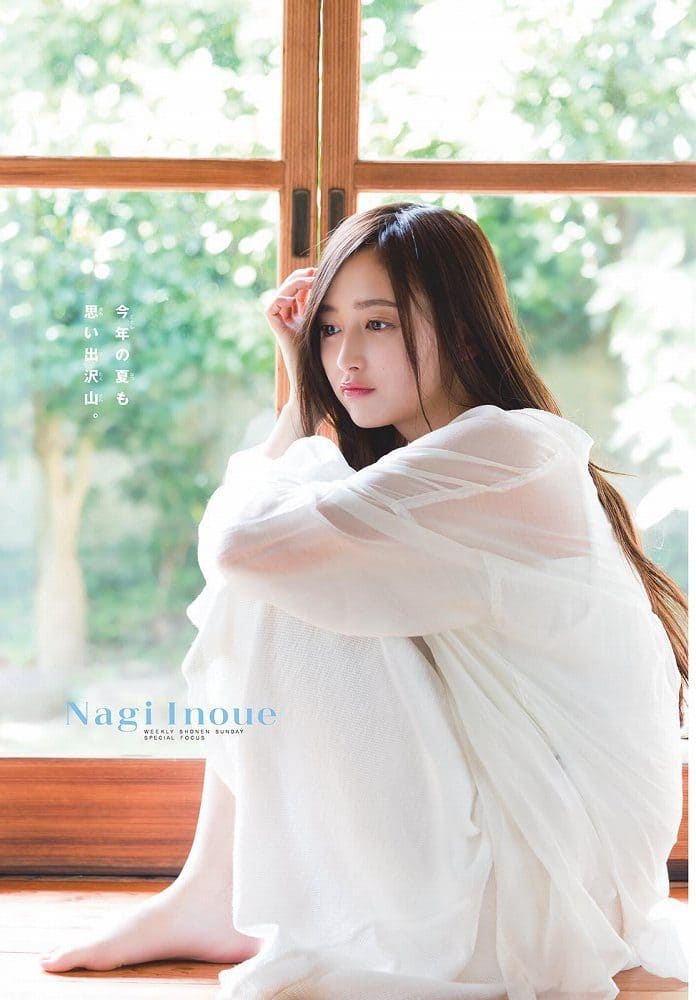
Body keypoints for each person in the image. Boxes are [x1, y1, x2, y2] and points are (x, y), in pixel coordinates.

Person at [41, 202, 689, 999]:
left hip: (549, 893)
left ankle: (212, 891)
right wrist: (301, 389)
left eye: (379, 324)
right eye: (328, 329)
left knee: (286, 559)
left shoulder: (506, 448)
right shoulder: (448, 454)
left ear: (464, 334)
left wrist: (299, 408)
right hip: (541, 850)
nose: (345, 356)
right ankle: (209, 890)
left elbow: (240, 547)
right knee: (293, 553)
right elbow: (253, 548)